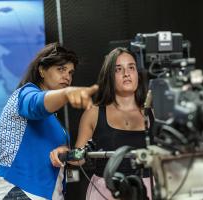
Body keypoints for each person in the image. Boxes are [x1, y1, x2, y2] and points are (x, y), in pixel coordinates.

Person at [0, 42, 98, 200]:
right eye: (61, 69)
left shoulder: (51, 118)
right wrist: (67, 93)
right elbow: (36, 103)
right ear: (41, 70)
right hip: (19, 191)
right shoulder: (25, 94)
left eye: (70, 72)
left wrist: (68, 153)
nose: (67, 76)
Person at [51, 47, 153, 200]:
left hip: (146, 190)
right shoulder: (93, 114)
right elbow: (81, 156)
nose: (127, 74)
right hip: (105, 192)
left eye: (131, 67)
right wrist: (65, 153)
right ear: (109, 76)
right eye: (119, 69)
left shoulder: (153, 113)